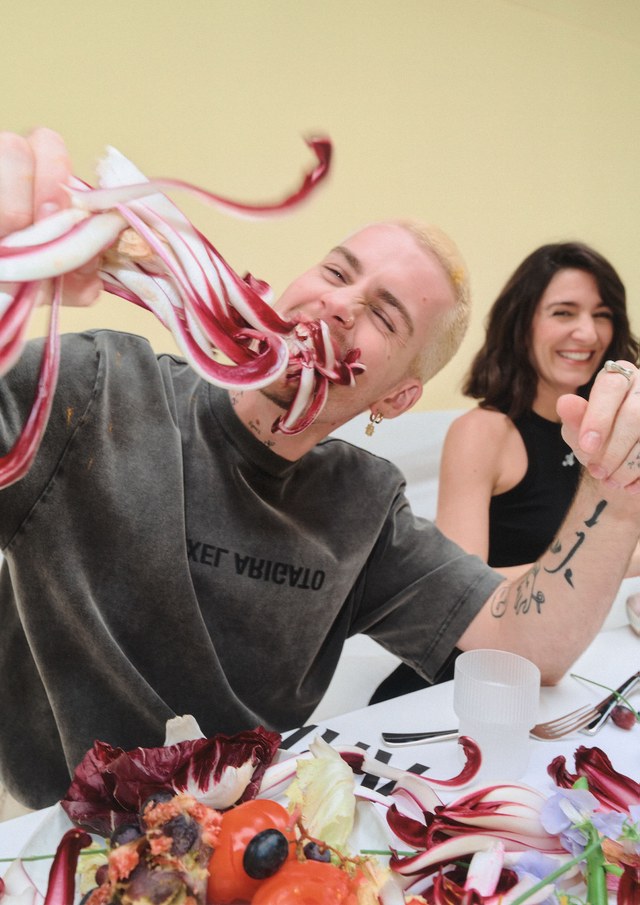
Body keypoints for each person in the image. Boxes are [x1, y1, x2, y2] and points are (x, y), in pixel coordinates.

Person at [1, 129, 640, 811]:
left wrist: (619, 491)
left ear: (396, 397)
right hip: (49, 834)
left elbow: (526, 645)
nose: (339, 304)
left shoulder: (364, 508)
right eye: (337, 273)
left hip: (238, 834)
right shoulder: (94, 388)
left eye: (384, 317)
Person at [371, 242, 640, 703]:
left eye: (602, 314)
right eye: (563, 312)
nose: (587, 333)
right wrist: (618, 563)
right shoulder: (482, 432)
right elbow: (460, 592)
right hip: (457, 686)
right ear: (522, 324)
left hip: (559, 671)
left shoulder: (614, 434)